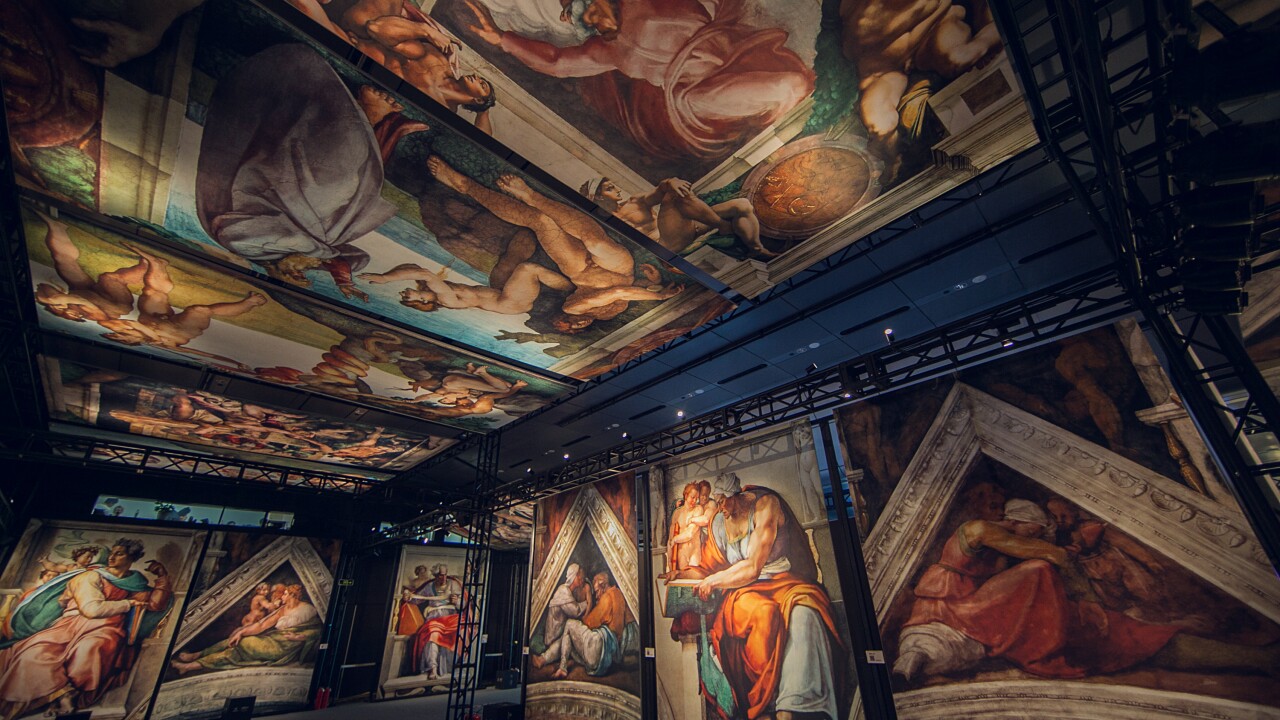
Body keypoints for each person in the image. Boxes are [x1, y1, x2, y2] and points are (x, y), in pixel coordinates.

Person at [893, 498, 1280, 683]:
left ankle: (1257, 659)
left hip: (981, 618)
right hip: (958, 614)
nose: (1042, 535)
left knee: (1133, 637)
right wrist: (1088, 599)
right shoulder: (979, 529)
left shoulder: (1000, 564)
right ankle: (908, 667)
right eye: (1038, 528)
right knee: (1040, 568)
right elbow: (1049, 556)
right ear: (1020, 521)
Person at [463, 0, 814, 161]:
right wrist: (503, 40)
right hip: (699, 93)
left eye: (591, 9)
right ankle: (782, 106)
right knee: (785, 86)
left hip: (732, 57)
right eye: (586, 21)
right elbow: (557, 63)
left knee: (793, 86)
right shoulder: (607, 51)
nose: (594, 21)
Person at [425, 156, 683, 334]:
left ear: (562, 318)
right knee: (595, 242)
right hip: (619, 268)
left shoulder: (572, 307)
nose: (577, 324)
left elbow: (615, 293)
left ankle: (467, 186)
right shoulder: (609, 314)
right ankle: (530, 196)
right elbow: (624, 289)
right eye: (575, 327)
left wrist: (658, 296)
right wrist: (651, 281)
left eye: (567, 325)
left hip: (579, 272)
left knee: (541, 222)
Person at [693, 472, 844, 720]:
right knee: (765, 614)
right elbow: (708, 565)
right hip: (741, 591)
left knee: (805, 612)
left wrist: (713, 581)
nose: (719, 508)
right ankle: (765, 705)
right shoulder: (719, 522)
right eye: (717, 503)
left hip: (781, 580)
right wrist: (690, 574)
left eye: (722, 501)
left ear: (735, 495)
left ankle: (795, 705)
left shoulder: (765, 506)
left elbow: (753, 567)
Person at [0, 539, 172, 718]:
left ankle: (69, 695)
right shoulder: (91, 576)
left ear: (132, 557)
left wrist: (162, 577)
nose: (112, 557)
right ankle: (57, 695)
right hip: (69, 625)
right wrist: (128, 603)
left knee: (90, 651)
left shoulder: (135, 582)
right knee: (34, 654)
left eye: (119, 553)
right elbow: (91, 609)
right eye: (112, 552)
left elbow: (155, 605)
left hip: (107, 629)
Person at [287, 0, 497, 134]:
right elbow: (376, 28)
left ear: (477, 100)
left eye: (483, 85)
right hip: (365, 27)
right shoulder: (439, 62)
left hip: (350, 48)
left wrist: (485, 110)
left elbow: (480, 143)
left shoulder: (441, 112)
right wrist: (426, 31)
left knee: (304, 6)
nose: (478, 78)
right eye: (483, 79)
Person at [838, 0, 1003, 158]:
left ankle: (1003, 26)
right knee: (879, 124)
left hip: (933, 30)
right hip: (899, 59)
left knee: (957, 57)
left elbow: (939, 6)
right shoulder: (863, 30)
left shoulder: (868, 26)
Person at [92, 241, 267, 369]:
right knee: (200, 310)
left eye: (118, 335)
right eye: (123, 338)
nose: (122, 334)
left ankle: (157, 264)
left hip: (157, 318)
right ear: (132, 343)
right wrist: (234, 363)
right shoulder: (162, 344)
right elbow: (200, 355)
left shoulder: (137, 326)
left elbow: (116, 322)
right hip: (181, 328)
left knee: (153, 294)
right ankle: (249, 303)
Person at [583, 177, 775, 259]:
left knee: (741, 205)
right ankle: (722, 225)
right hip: (665, 245)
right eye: (609, 189)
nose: (617, 189)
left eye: (614, 185)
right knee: (673, 197)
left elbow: (659, 192)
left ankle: (757, 248)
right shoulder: (605, 225)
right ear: (598, 197)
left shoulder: (635, 202)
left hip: (684, 229)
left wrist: (670, 182)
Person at [170, 584, 321, 675]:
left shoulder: (307, 610)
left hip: (283, 648)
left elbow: (316, 631)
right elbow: (262, 625)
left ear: (293, 595)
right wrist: (241, 632)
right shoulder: (282, 610)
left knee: (241, 644)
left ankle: (190, 665)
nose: (282, 597)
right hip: (273, 640)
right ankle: (196, 657)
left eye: (285, 594)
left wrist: (299, 637)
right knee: (236, 639)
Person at [362, 261, 574, 315]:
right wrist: (385, 278)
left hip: (502, 294)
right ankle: (573, 288)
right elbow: (424, 274)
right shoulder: (446, 298)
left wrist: (389, 275)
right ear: (423, 301)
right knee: (528, 269)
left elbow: (415, 268)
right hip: (508, 302)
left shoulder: (435, 289)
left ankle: (566, 289)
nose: (404, 293)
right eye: (407, 298)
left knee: (519, 265)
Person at [532, 571, 633, 679]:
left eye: (597, 591)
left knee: (569, 624)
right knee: (568, 636)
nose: (597, 596)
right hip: (606, 658)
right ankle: (543, 659)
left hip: (598, 648)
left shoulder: (607, 597)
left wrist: (586, 611)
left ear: (603, 585)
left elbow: (590, 622)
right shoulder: (619, 595)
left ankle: (560, 667)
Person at [411, 564, 463, 679]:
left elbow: (464, 603)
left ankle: (450, 667)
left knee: (457, 634)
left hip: (450, 617)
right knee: (432, 634)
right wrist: (408, 597)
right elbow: (417, 599)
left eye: (445, 575)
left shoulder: (453, 584)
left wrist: (457, 602)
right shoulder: (429, 587)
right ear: (435, 576)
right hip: (434, 618)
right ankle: (432, 668)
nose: (443, 577)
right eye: (440, 575)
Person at [543, 563, 590, 649]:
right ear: (573, 576)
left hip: (559, 633)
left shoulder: (569, 591)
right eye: (578, 575)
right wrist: (587, 602)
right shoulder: (563, 591)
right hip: (554, 637)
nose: (581, 578)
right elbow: (576, 611)